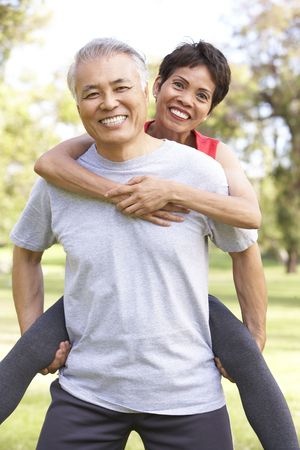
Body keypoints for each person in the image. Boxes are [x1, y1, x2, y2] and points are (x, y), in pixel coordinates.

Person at [1, 39, 298, 449]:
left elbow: (248, 226)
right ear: (157, 87)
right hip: (87, 387)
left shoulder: (210, 165)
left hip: (186, 383)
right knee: (26, 353)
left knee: (247, 357)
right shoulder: (78, 160)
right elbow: (46, 168)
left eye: (202, 96)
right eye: (179, 85)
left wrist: (175, 192)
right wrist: (115, 193)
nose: (108, 102)